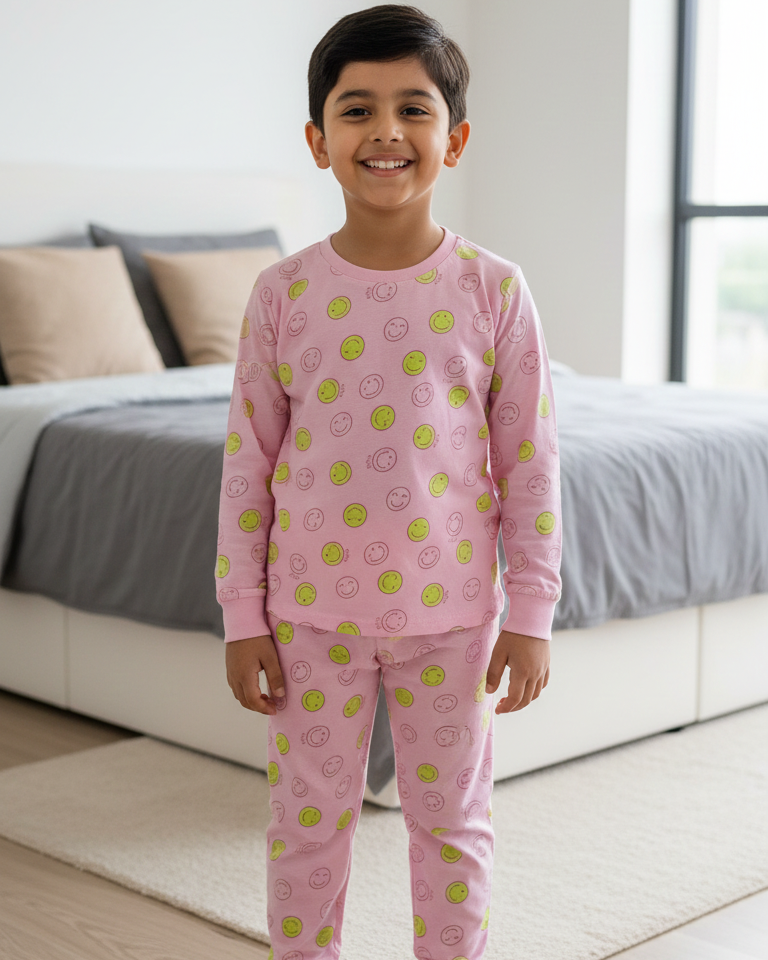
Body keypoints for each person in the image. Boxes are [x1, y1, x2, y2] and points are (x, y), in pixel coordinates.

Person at [216, 5, 562, 958]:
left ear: (453, 139)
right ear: (318, 138)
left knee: (450, 824)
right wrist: (242, 614)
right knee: (306, 827)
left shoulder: (495, 290)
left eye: (413, 109)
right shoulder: (281, 293)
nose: (385, 132)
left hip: (453, 615)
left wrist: (531, 609)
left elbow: (527, 463)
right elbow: (248, 466)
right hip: (308, 617)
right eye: (357, 109)